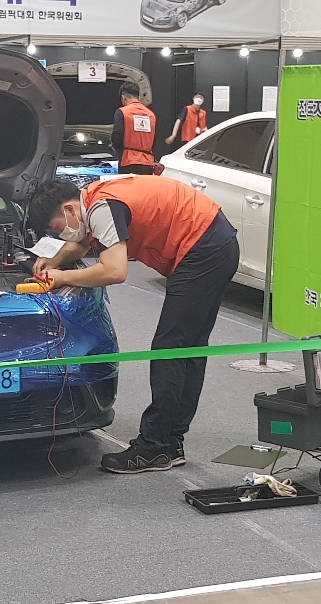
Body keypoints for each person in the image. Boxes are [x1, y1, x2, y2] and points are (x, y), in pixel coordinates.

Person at [28, 175, 239, 473]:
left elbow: (115, 271)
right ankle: (169, 443)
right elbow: (83, 242)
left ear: (69, 209)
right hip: (215, 241)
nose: (60, 235)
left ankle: (154, 447)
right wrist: (55, 260)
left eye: (57, 228)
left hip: (204, 249)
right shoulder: (95, 200)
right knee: (187, 349)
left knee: (170, 349)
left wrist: (62, 277)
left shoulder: (102, 208)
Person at [110, 81, 158, 175]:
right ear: (138, 97)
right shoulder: (151, 114)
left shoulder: (122, 112)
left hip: (128, 161)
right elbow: (154, 141)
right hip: (148, 162)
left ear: (123, 98)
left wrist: (116, 149)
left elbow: (117, 135)